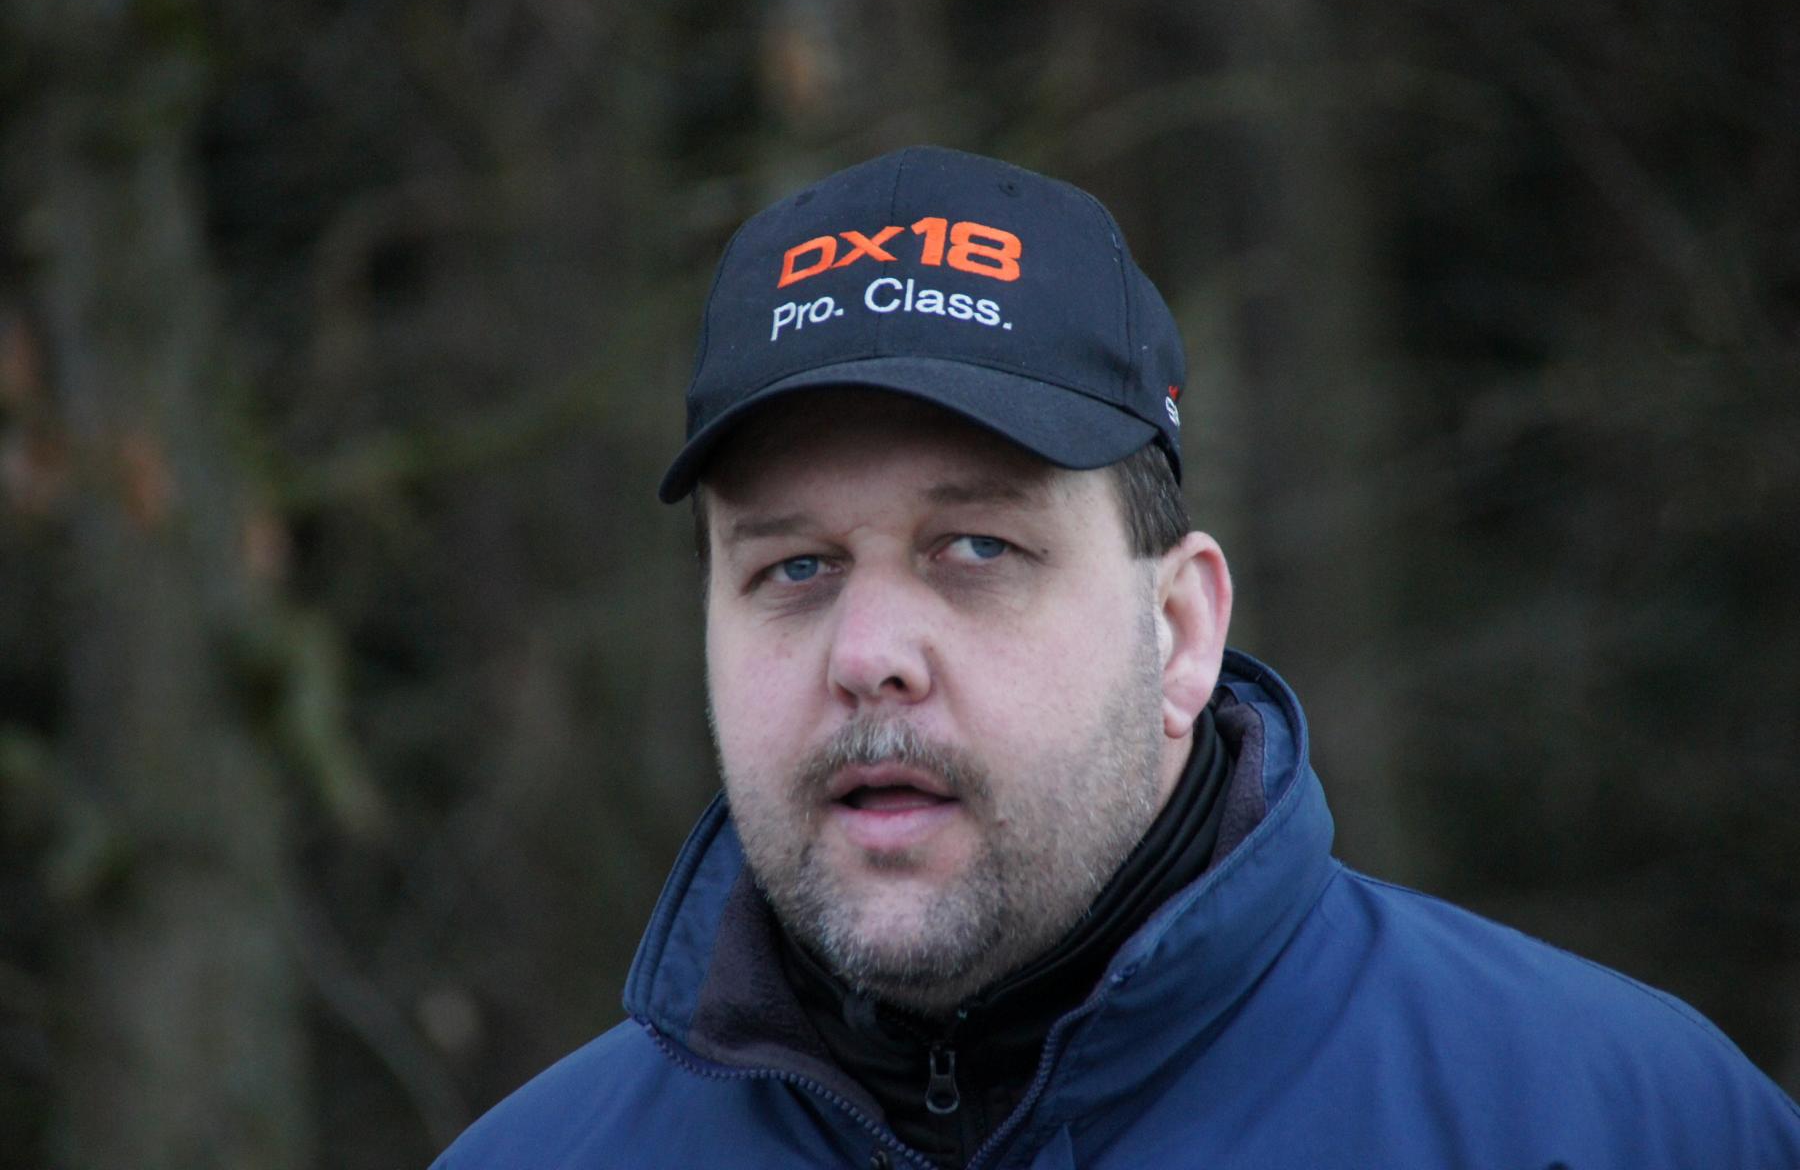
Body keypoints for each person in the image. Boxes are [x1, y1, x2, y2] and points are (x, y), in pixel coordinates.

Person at [431, 147, 1800, 1169]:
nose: (870, 656)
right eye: (794, 568)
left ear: (1182, 629)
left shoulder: (1610, 1123)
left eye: (976, 548)